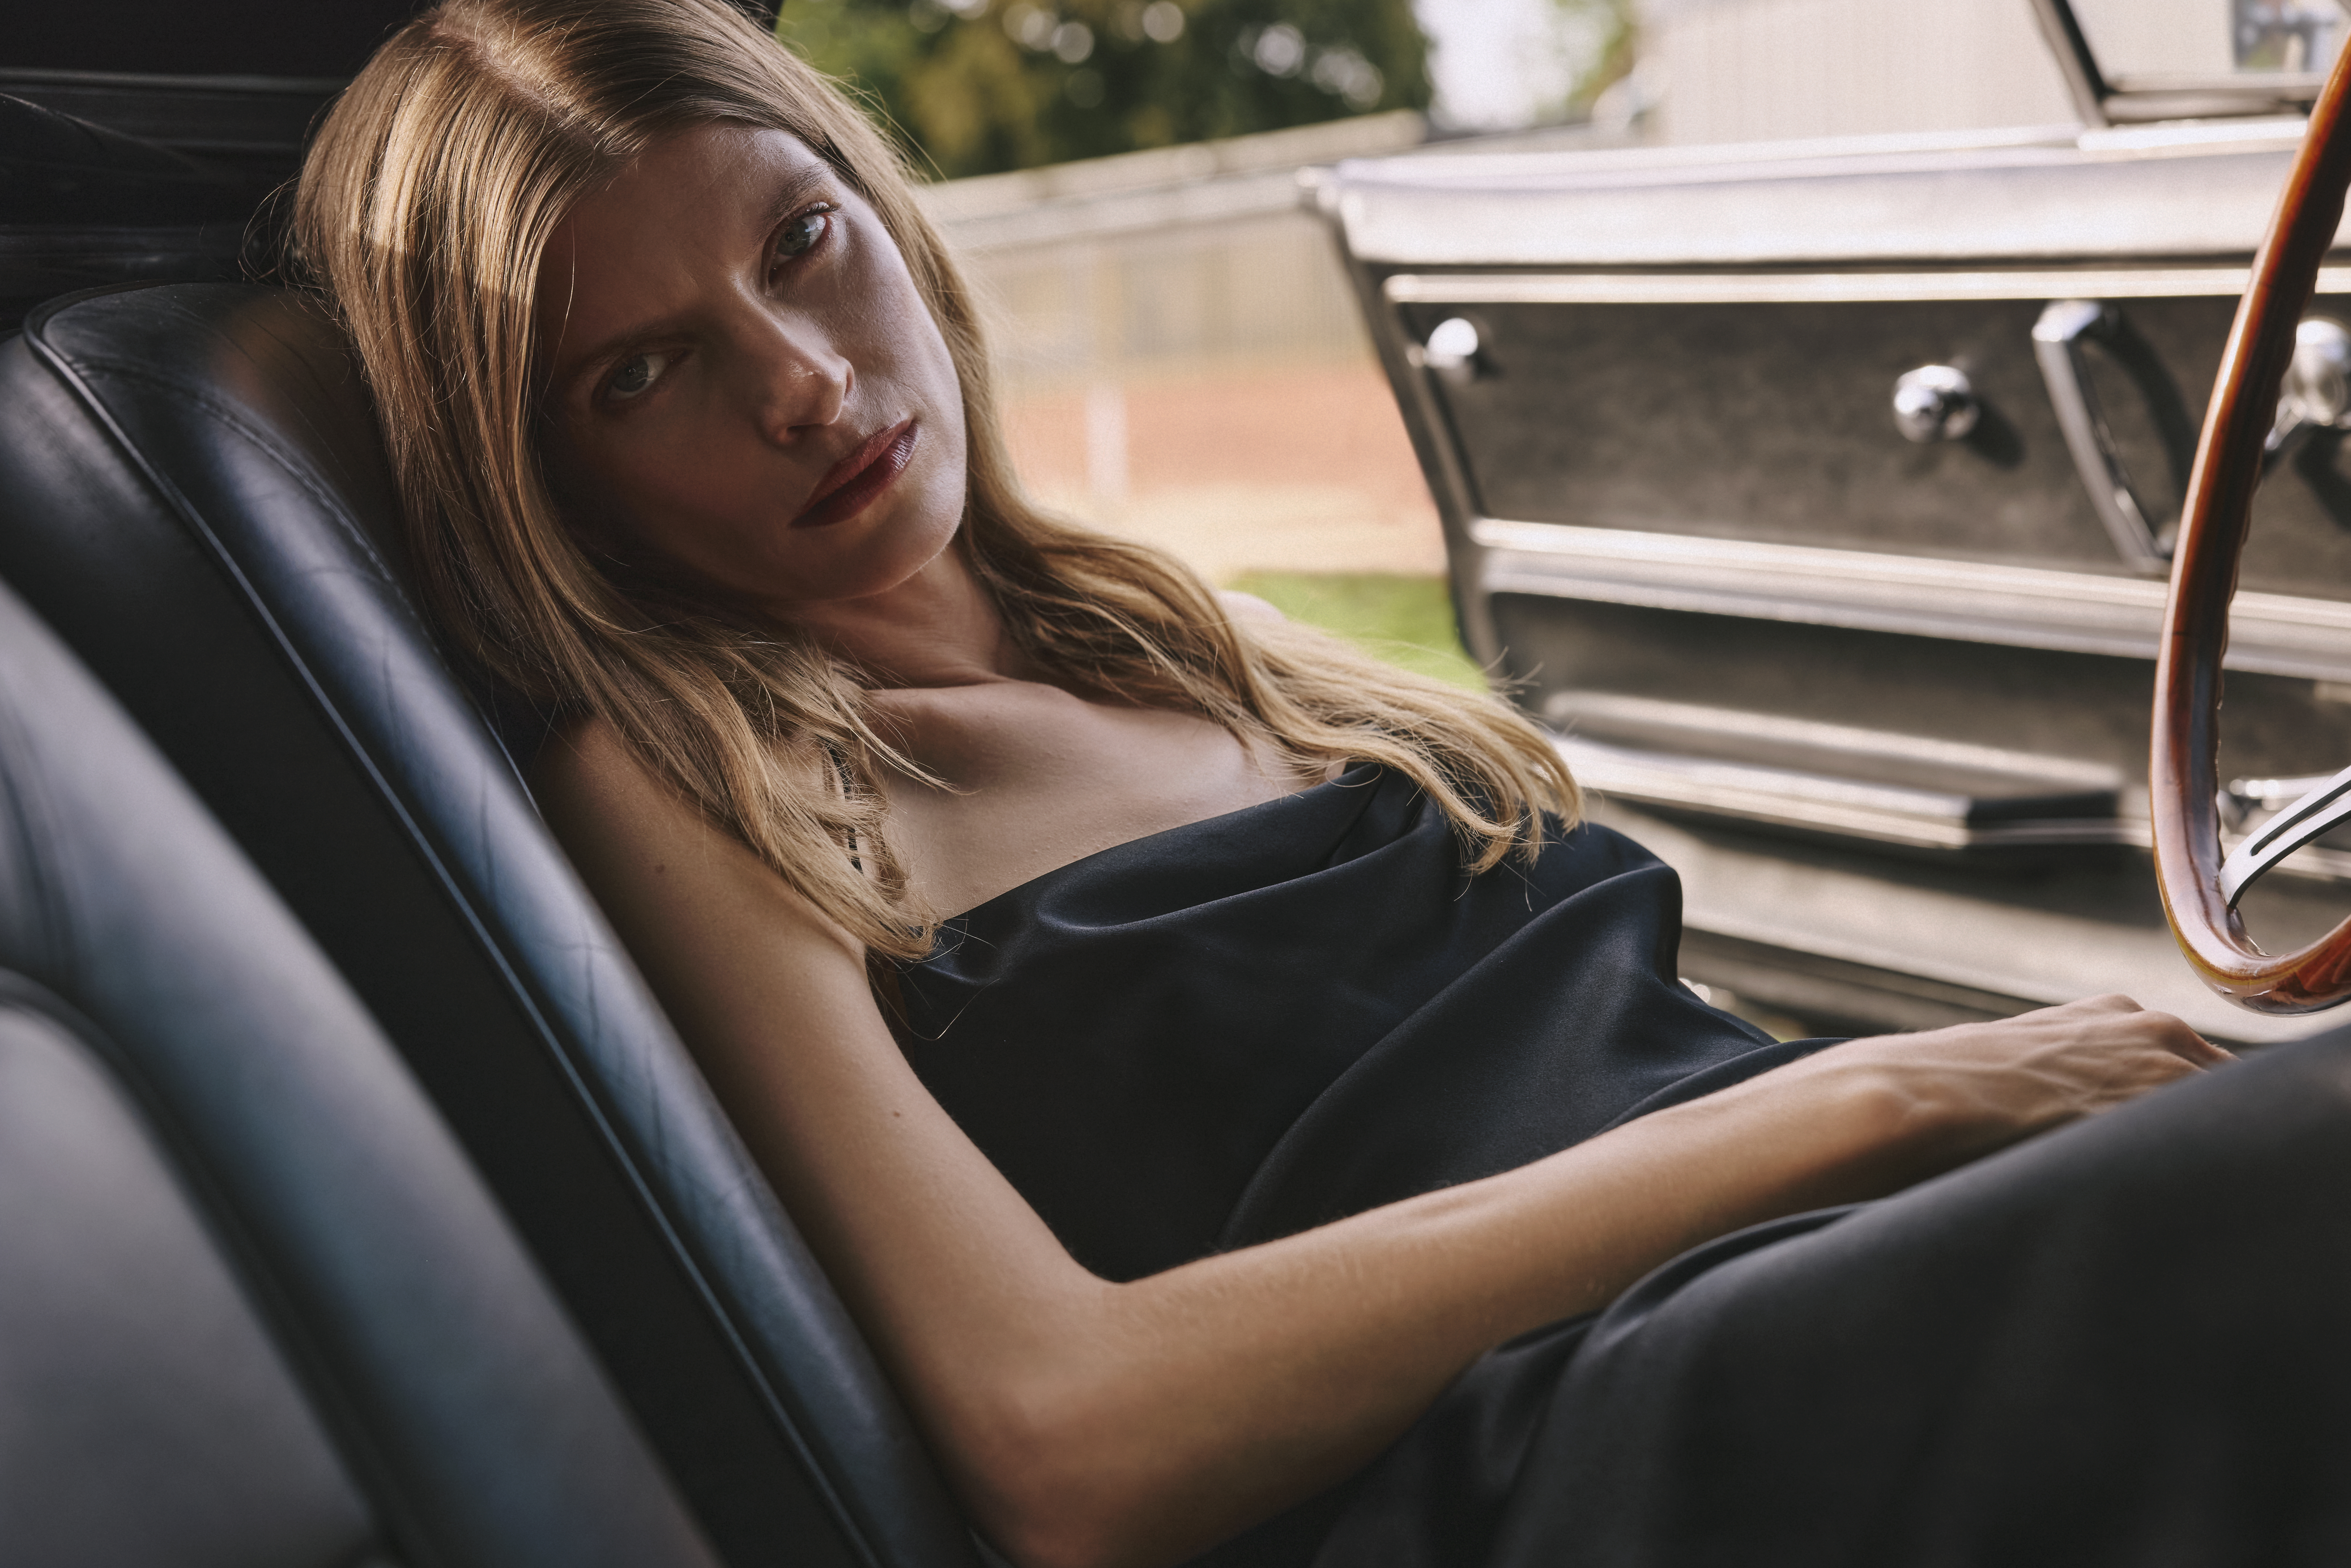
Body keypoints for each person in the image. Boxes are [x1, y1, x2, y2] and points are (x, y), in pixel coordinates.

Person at [291, 3, 2351, 1564]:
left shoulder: (1171, 629)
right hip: (1579, 1442)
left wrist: (1925, 1119)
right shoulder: (681, 782)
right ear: (539, 473)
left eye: (802, 242)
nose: (802, 382)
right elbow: (1064, 1442)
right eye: (639, 373)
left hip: (1805, 1268)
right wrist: (1883, 1095)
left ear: (884, 212)